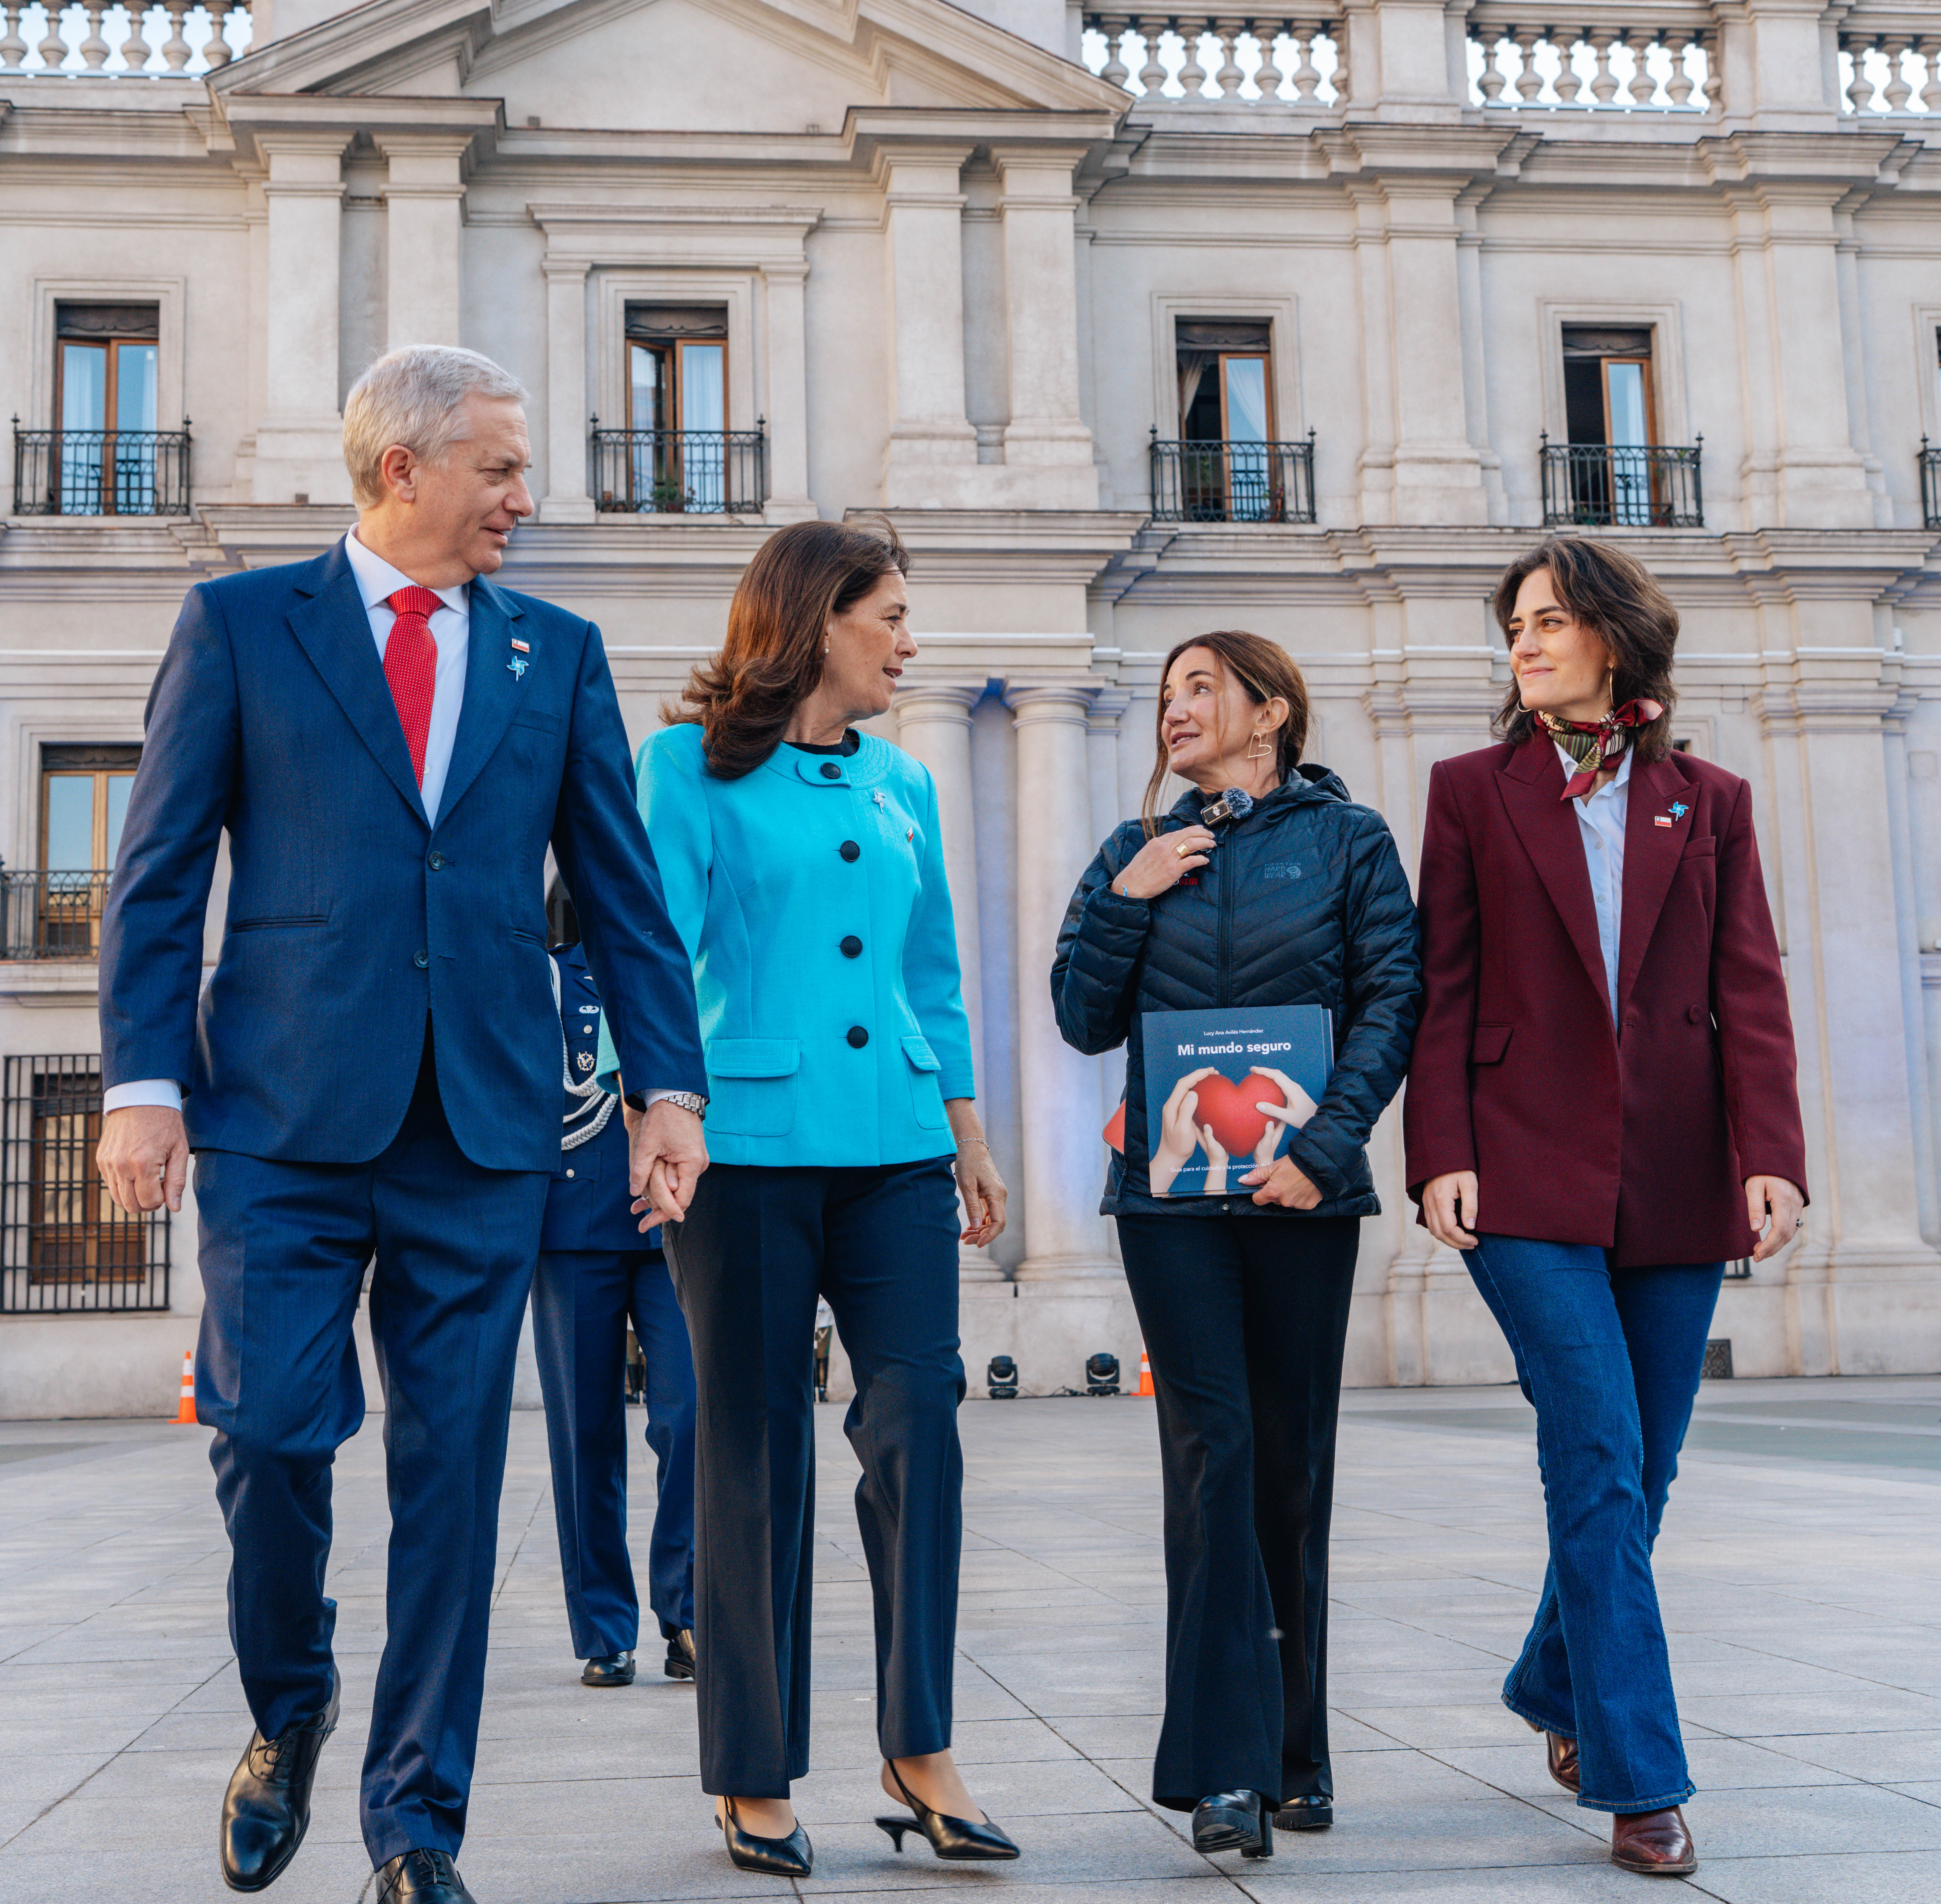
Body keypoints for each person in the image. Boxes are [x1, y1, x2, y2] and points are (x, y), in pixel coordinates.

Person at [93, 345, 710, 1904]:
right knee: (266, 1434)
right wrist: (141, 1086)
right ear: (401, 472)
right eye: (500, 468)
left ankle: (416, 1827)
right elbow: (160, 872)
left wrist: (666, 1093)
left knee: (452, 1482)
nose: (525, 495)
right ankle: (288, 1708)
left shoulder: (555, 654)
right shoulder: (245, 625)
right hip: (281, 1121)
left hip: (487, 1132)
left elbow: (625, 897)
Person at [1405, 535, 1806, 1880]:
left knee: (1649, 1465)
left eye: (1546, 622)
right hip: (1519, 1170)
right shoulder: (1470, 792)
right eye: (1512, 626)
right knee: (1594, 1450)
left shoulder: (1712, 799)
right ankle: (1643, 1778)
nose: (1521, 645)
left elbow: (1748, 987)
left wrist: (1774, 1150)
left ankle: (1547, 1678)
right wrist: (1436, 1149)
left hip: (1681, 1172)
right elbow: (1443, 989)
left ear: (1614, 642)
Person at [637, 518, 1014, 1880]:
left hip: (899, 1147)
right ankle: (751, 1766)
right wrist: (658, 1114)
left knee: (919, 1419)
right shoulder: (682, 769)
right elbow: (652, 959)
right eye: (892, 616)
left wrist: (967, 1135)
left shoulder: (904, 779)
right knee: (753, 1450)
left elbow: (933, 976)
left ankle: (921, 1747)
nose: (910, 642)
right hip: (745, 1151)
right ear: (816, 620)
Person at [1051, 629, 1422, 1859]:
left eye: (1199, 687)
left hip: (1298, 1194)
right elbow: (1078, 1012)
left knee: (1288, 1465)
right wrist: (1125, 897)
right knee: (1212, 1452)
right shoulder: (1132, 850)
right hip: (1167, 1205)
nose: (1174, 709)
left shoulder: (1350, 840)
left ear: (1269, 710)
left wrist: (1321, 1148)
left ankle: (1295, 1752)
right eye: (1164, 695)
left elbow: (1391, 999)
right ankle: (1224, 1769)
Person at [531, 879, 697, 1691]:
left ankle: (690, 1608)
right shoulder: (542, 976)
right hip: (569, 1233)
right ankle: (604, 1627)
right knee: (583, 1433)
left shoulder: (671, 979)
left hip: (674, 1229)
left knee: (693, 1414)